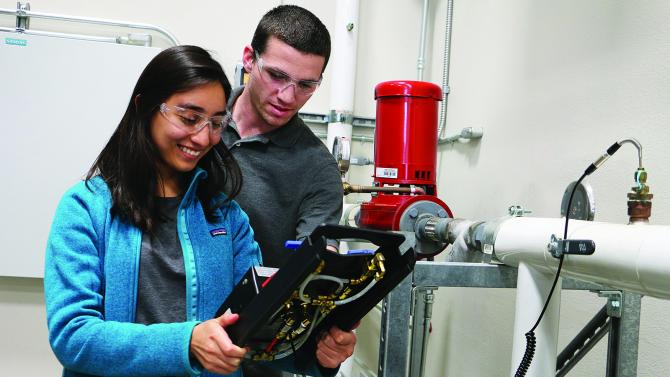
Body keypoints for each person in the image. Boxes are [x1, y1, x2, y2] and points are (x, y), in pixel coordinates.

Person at [44, 45, 352, 377]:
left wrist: (319, 355)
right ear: (145, 107)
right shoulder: (86, 208)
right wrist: (186, 342)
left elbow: (253, 337)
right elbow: (73, 335)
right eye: (189, 118)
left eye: (217, 123)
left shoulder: (228, 219)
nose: (204, 137)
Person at [219, 5, 356, 377]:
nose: (287, 95)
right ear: (249, 59)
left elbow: (310, 278)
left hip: (250, 354)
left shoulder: (317, 169)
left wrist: (329, 341)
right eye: (276, 75)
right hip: (169, 334)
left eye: (306, 85)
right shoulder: (200, 125)